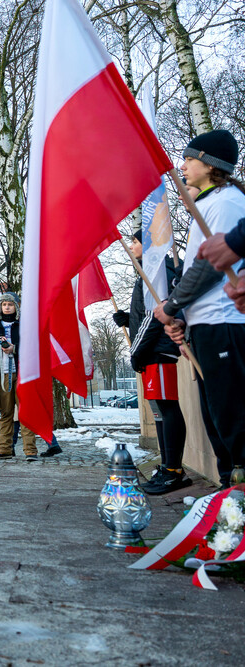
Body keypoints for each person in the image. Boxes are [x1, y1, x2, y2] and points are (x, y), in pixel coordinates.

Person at [154, 129, 245, 488]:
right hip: (207, 324)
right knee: (217, 419)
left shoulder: (224, 203)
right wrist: (180, 316)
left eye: (190, 159)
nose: (183, 166)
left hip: (224, 322)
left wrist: (173, 304)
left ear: (210, 164)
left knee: (233, 420)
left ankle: (236, 498)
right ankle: (230, 499)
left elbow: (209, 266)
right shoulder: (208, 204)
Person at [114, 230, 188, 494]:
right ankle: (168, 465)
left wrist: (136, 351)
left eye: (134, 241)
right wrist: (128, 320)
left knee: (168, 409)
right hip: (151, 351)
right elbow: (144, 315)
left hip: (158, 351)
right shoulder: (149, 270)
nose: (131, 246)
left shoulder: (156, 270)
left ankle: (174, 470)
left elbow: (154, 315)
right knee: (159, 411)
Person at [0, 293, 38, 461]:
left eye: (10, 304)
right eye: (4, 304)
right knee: (6, 414)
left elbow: (34, 347)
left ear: (15, 307)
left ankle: (30, 451)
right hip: (1, 376)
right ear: (0, 307)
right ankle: (4, 449)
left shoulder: (24, 325)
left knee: (26, 414)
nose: (6, 307)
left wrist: (15, 348)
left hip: (22, 375)